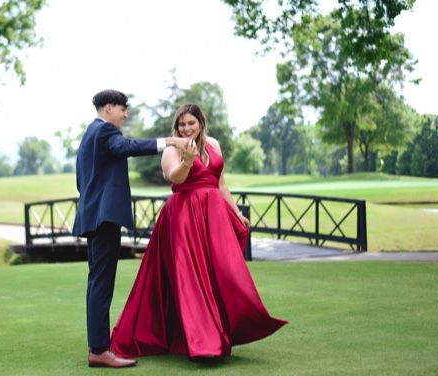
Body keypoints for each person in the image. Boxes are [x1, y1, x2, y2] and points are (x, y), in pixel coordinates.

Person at [109, 103, 288, 359]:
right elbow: (175, 178)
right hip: (183, 218)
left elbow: (221, 183)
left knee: (223, 272)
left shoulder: (213, 144)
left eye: (191, 123)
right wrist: (187, 161)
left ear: (201, 123)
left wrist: (236, 212)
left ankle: (229, 327)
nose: (186, 128)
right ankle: (203, 341)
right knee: (191, 277)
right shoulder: (172, 148)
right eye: (182, 124)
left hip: (214, 216)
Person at [72, 90, 188, 368]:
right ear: (109, 108)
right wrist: (171, 141)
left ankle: (97, 346)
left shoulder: (90, 134)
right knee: (101, 284)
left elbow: (81, 180)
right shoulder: (104, 132)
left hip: (95, 217)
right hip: (104, 219)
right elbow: (127, 147)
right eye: (123, 108)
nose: (126, 114)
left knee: (96, 283)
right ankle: (99, 350)